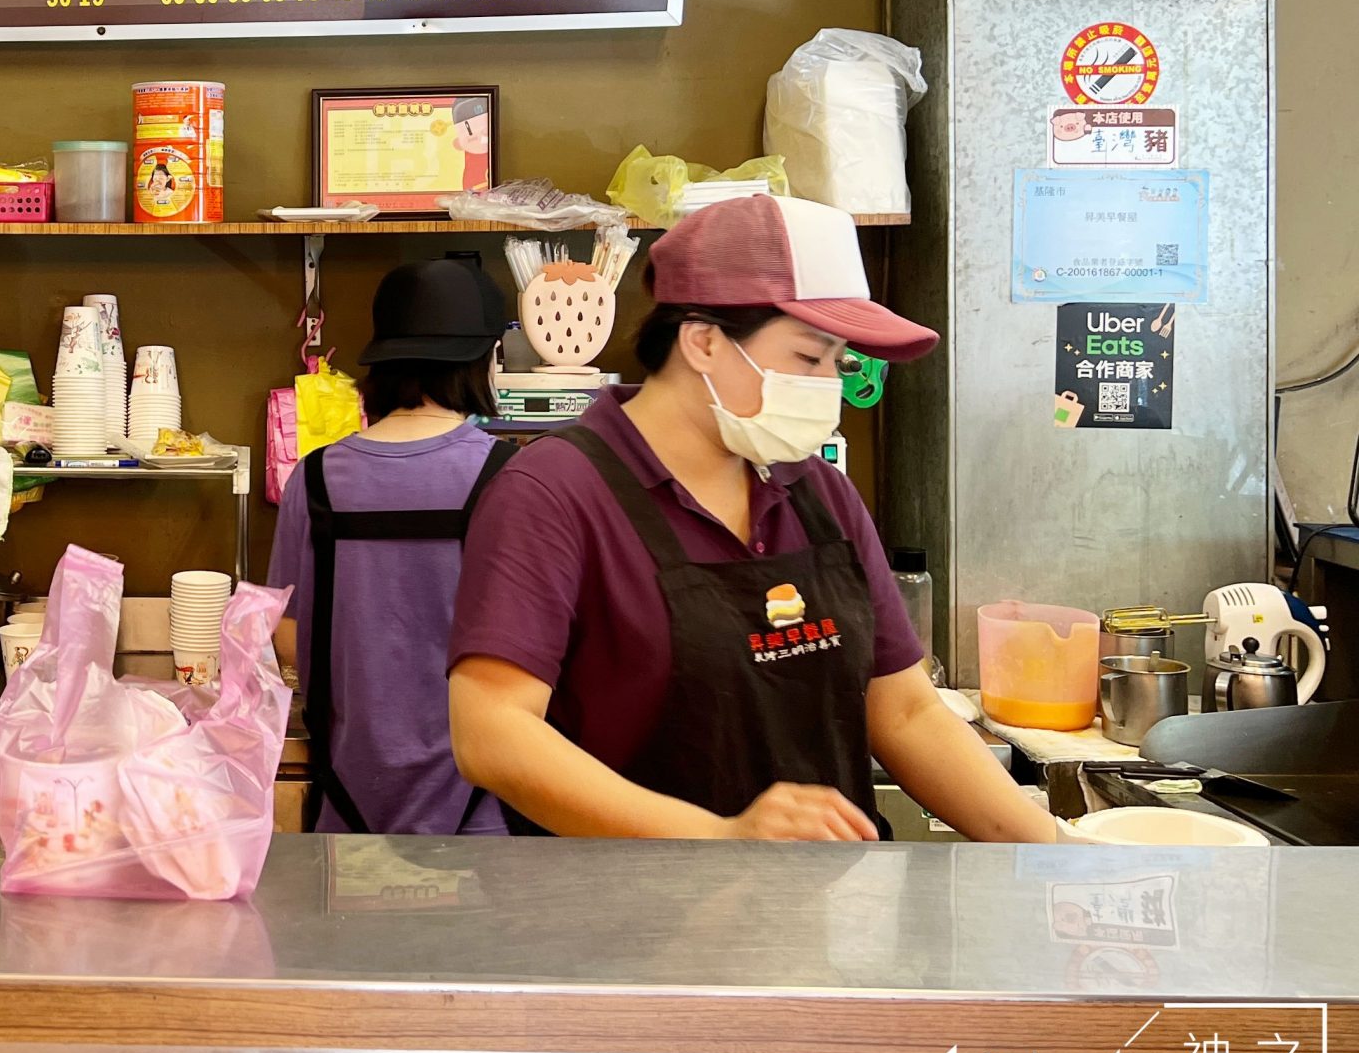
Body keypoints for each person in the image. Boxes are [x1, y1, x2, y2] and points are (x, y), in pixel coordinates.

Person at [448, 194, 1056, 842]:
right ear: (704, 341)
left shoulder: (820, 492)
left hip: (824, 910)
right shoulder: (555, 492)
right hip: (629, 922)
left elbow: (905, 712)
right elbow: (493, 732)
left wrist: (1054, 850)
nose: (829, 384)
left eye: (837, 361)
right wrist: (719, 837)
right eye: (807, 358)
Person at [270, 258, 512, 834]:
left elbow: (285, 636)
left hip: (350, 801)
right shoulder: (508, 476)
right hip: (477, 810)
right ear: (482, 362)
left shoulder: (316, 478)